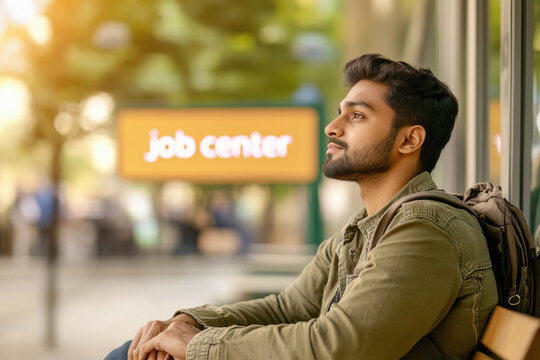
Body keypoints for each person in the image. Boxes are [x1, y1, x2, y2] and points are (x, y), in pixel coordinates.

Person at [105, 54, 498, 360]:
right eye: (342, 111)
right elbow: (289, 307)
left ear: (409, 140)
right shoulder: (366, 227)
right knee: (139, 350)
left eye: (357, 115)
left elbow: (337, 347)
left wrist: (198, 346)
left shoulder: (425, 231)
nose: (333, 126)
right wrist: (191, 321)